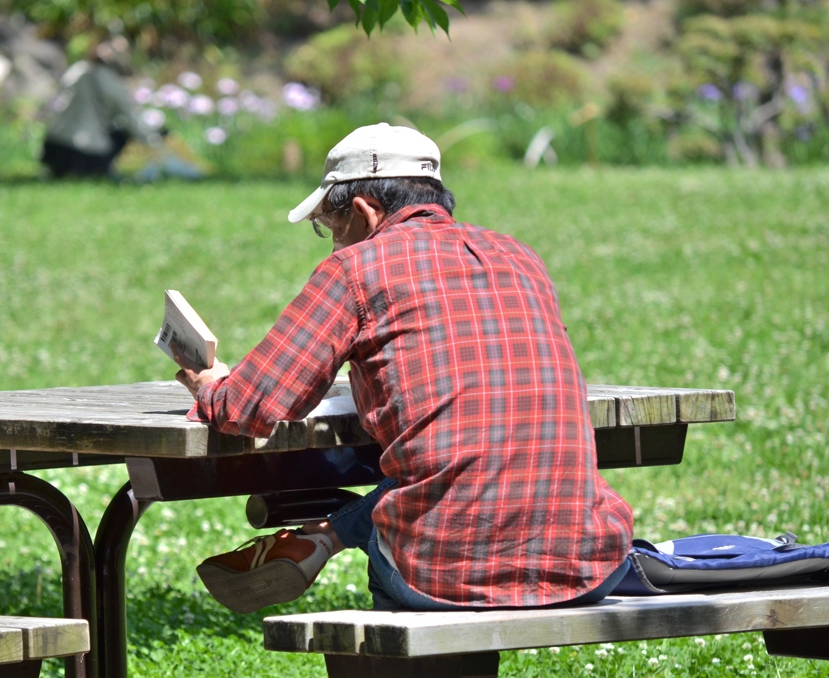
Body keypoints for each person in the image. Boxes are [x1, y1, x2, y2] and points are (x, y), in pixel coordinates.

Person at [172, 123, 634, 614]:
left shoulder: (355, 269)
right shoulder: (521, 257)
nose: (331, 244)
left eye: (328, 226)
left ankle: (323, 545)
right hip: (590, 562)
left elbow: (249, 407)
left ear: (363, 210)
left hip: (442, 573)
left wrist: (210, 383)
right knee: (460, 467)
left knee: (438, 495)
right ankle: (324, 536)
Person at [41, 40, 157, 179]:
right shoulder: (114, 85)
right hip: (86, 152)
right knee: (121, 133)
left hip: (55, 145)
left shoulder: (76, 70)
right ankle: (101, 168)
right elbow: (132, 123)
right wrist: (155, 141)